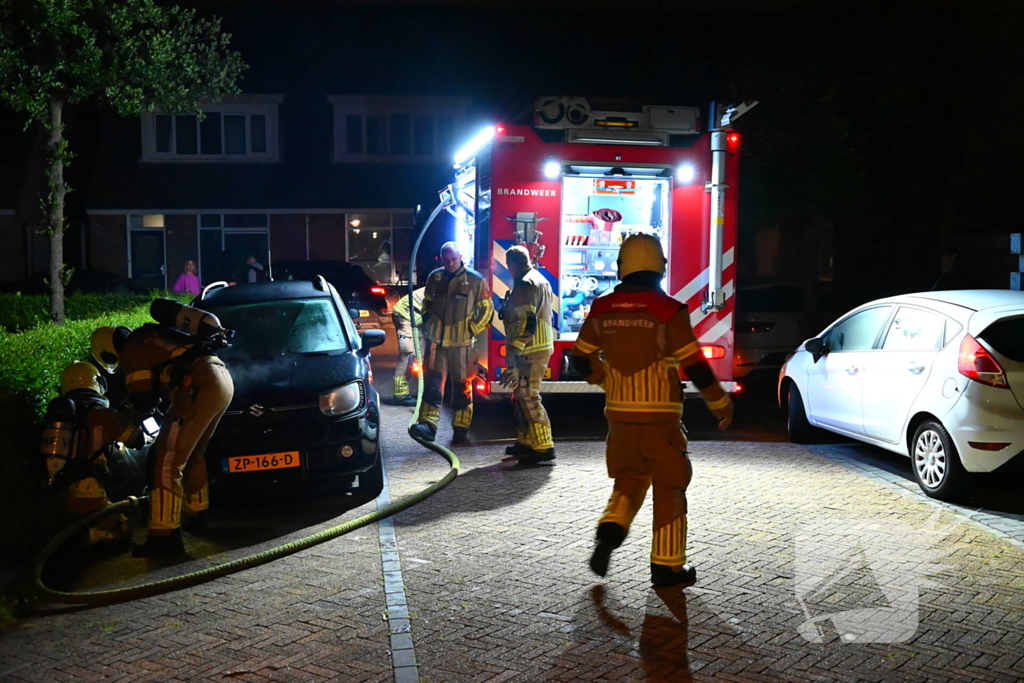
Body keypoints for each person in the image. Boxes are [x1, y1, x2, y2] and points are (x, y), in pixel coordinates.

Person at [570, 234, 733, 588]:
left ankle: (612, 526)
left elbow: (579, 356)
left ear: (621, 268)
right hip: (660, 419)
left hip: (619, 416)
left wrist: (605, 380)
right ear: (660, 267)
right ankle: (667, 567)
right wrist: (720, 403)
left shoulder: (602, 309)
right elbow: (696, 365)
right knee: (670, 487)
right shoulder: (668, 311)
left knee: (629, 479)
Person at [113, 302, 234, 557]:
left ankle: (164, 536)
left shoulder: (133, 350)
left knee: (166, 460)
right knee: (193, 454)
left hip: (195, 387)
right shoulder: (155, 337)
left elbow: (143, 400)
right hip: (220, 378)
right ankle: (197, 514)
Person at [42, 360, 144, 546]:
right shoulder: (101, 414)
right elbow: (136, 440)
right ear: (98, 383)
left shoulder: (60, 420)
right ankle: (89, 536)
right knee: (125, 527)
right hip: (92, 495)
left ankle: (74, 534)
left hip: (61, 493)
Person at [409, 242, 493, 445]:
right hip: (436, 344)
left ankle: (461, 429)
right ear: (441, 258)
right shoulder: (435, 277)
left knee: (462, 388)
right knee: (432, 385)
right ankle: (428, 426)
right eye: (446, 260)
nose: (450, 263)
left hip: (462, 346)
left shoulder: (475, 280)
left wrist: (471, 329)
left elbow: (487, 310)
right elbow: (426, 303)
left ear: (461, 256)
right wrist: (428, 322)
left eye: (453, 259)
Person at [499, 245, 556, 464]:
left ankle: (543, 446)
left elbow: (526, 321)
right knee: (520, 395)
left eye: (508, 265)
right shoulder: (539, 279)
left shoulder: (525, 284)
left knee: (529, 396)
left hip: (530, 350)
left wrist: (514, 350)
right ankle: (526, 441)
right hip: (537, 347)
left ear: (512, 264)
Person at [392, 286, 425, 406]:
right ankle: (401, 395)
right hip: (405, 315)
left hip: (417, 317)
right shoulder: (443, 291)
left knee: (420, 353)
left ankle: (422, 390)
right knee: (409, 354)